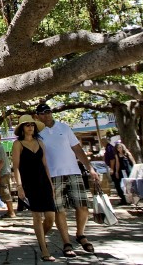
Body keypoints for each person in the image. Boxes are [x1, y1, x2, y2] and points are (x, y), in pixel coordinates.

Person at [34, 103, 100, 257]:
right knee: (59, 209)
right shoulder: (37, 133)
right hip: (53, 175)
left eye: (48, 111)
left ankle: (80, 234)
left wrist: (90, 168)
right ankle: (66, 242)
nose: (46, 115)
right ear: (37, 116)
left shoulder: (64, 128)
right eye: (42, 113)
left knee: (83, 206)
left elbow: (77, 149)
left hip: (73, 172)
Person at [11, 115, 56, 262]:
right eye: (26, 125)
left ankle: (40, 237)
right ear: (22, 128)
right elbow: (16, 167)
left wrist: (51, 184)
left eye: (32, 124)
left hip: (44, 181)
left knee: (50, 218)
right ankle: (44, 249)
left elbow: (45, 165)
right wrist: (19, 186)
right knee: (37, 217)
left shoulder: (40, 142)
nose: (30, 127)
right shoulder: (18, 144)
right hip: (29, 183)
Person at [0, 132, 16, 218]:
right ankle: (9, 211)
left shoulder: (0, 148)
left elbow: (0, 161)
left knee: (5, 191)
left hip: (3, 173)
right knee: (4, 191)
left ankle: (11, 212)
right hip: (3, 173)